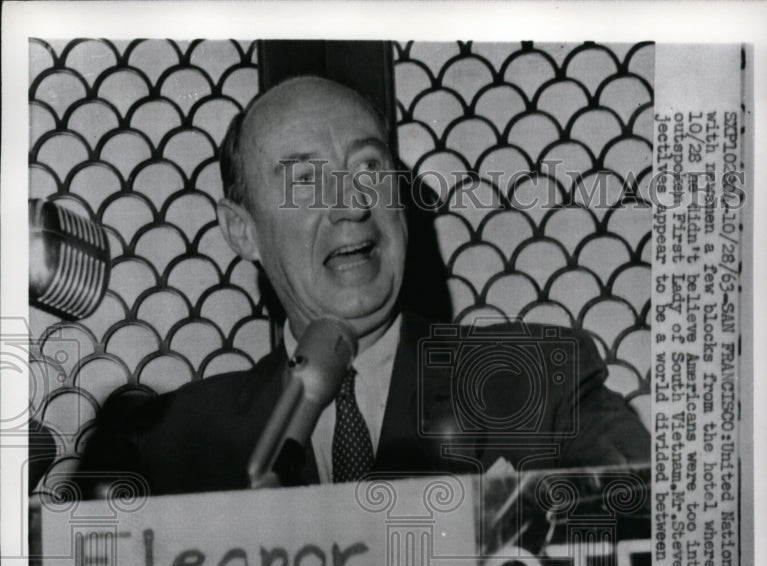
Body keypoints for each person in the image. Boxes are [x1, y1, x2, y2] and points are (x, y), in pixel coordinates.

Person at [77, 75, 649, 498]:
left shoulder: (538, 381)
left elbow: (653, 524)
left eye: (369, 170)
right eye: (305, 182)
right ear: (241, 231)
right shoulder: (171, 447)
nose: (350, 205)